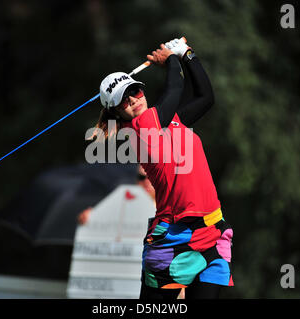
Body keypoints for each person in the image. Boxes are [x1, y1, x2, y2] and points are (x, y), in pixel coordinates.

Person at [94, 38, 234, 299]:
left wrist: (187, 55)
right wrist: (170, 58)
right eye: (123, 100)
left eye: (134, 91)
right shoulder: (139, 129)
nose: (133, 100)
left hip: (212, 233)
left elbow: (205, 97)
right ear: (116, 112)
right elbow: (173, 90)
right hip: (173, 239)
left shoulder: (171, 121)